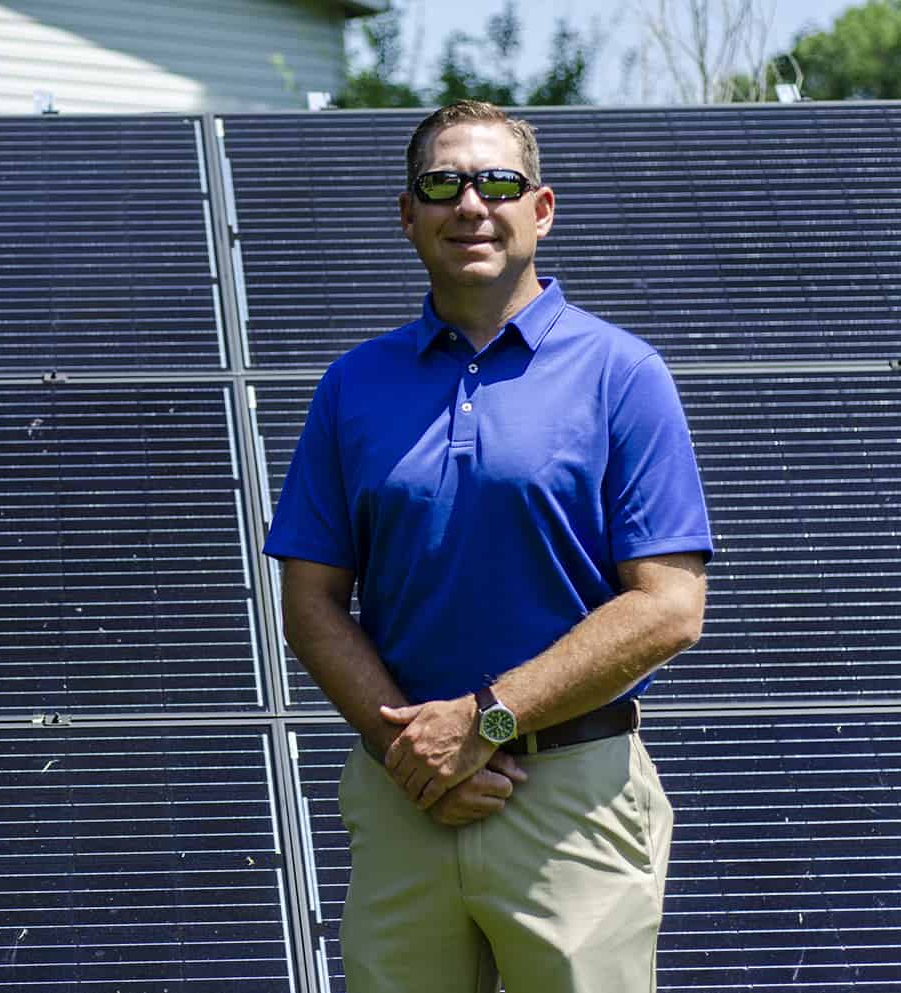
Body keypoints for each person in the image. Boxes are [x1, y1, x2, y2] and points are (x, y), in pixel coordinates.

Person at [264, 100, 713, 993]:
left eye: (496, 182)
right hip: (408, 798)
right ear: (408, 214)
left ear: (539, 208)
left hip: (573, 801)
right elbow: (310, 605)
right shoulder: (352, 386)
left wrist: (485, 721)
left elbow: (669, 607)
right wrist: (417, 753)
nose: (470, 203)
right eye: (442, 183)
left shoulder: (623, 374)